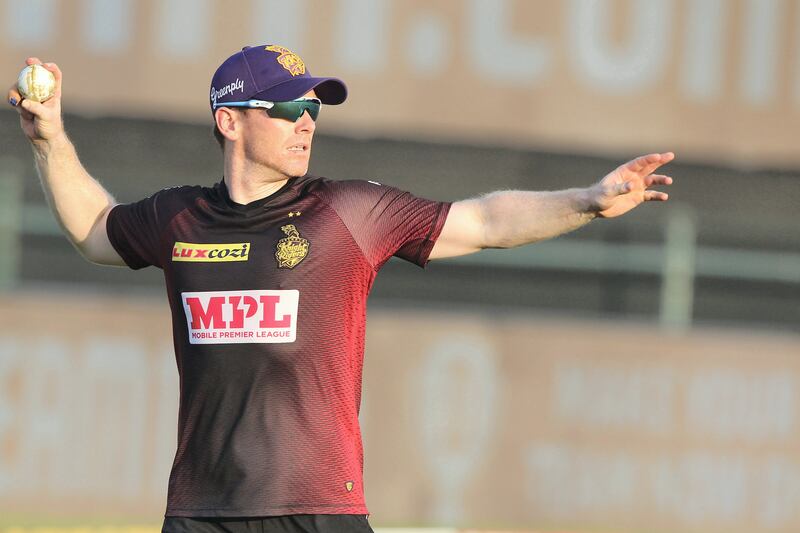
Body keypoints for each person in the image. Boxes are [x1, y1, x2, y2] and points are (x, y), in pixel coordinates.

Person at [8, 44, 673, 533]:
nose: (308, 121)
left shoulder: (346, 214)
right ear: (230, 120)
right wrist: (50, 139)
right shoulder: (180, 218)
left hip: (319, 510)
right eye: (291, 105)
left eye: (314, 109)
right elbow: (96, 229)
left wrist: (587, 200)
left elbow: (486, 219)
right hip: (200, 512)